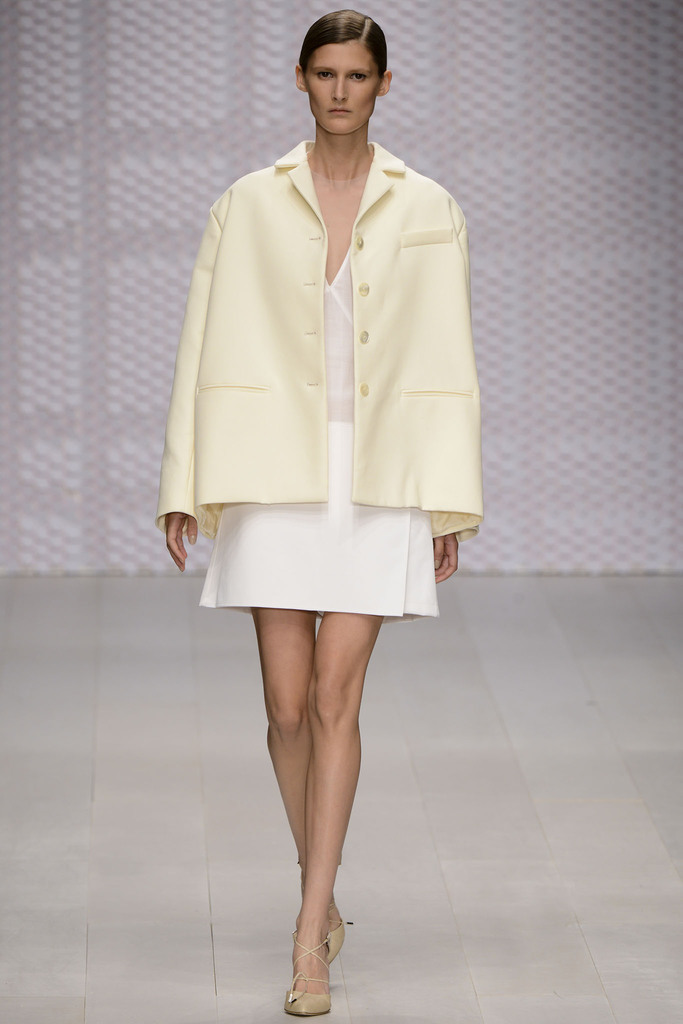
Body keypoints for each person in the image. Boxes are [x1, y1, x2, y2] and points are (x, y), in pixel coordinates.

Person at [155, 9, 482, 1015]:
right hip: (271, 470)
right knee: (286, 707)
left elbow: (449, 358)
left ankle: (308, 942)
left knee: (338, 698)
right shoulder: (247, 202)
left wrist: (448, 499)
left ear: (385, 84)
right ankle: (323, 886)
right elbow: (201, 338)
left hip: (380, 477)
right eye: (326, 73)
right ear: (300, 78)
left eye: (358, 75)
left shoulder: (426, 204)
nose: (341, 91)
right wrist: (183, 481)